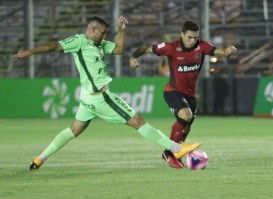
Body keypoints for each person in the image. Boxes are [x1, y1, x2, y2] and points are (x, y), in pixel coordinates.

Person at [13, 16, 201, 170]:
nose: (103, 37)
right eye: (102, 33)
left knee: (73, 130)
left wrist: (121, 31)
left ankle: (40, 159)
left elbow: (119, 50)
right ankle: (176, 148)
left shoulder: (99, 44)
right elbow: (54, 46)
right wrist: (28, 52)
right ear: (92, 29)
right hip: (100, 97)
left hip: (88, 97)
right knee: (138, 121)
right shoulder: (79, 41)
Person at [130, 21, 237, 169]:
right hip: (172, 91)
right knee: (185, 116)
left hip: (190, 96)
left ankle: (172, 153)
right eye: (189, 37)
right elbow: (146, 49)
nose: (193, 41)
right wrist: (133, 57)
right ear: (182, 34)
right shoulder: (171, 47)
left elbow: (223, 53)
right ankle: (169, 153)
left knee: (186, 128)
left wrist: (229, 50)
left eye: (195, 37)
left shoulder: (202, 46)